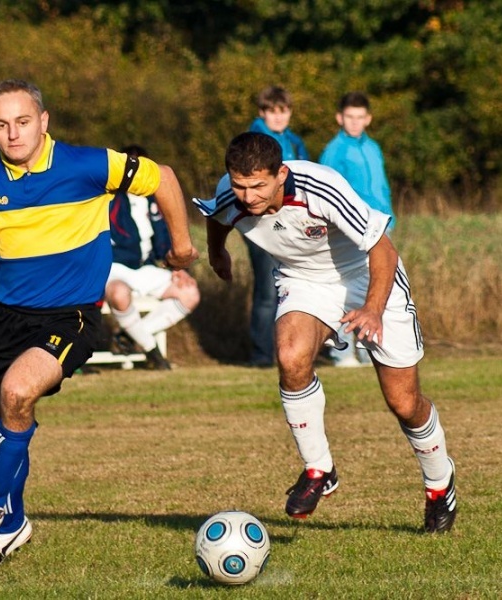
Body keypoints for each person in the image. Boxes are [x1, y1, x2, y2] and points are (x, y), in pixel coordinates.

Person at [0, 79, 198, 568]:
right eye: (1, 125)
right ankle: (11, 525)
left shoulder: (87, 165)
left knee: (18, 393)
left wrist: (182, 244)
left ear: (43, 122)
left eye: (22, 122)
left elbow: (165, 177)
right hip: (4, 319)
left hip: (72, 315)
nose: (13, 134)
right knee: (2, 429)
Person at [193, 132, 457, 533]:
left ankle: (440, 485)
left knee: (404, 403)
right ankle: (319, 469)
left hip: (368, 276)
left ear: (281, 174)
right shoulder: (232, 195)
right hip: (305, 282)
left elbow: (383, 249)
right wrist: (217, 252)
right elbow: (217, 216)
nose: (248, 197)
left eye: (259, 186)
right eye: (240, 185)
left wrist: (372, 309)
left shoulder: (322, 188)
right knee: (290, 355)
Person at [106, 145, 200, 371]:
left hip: (146, 267)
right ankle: (152, 351)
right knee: (119, 294)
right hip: (115, 267)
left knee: (190, 293)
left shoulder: (155, 199)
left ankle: (129, 338)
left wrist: (176, 267)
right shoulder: (107, 198)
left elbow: (165, 239)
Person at [320, 91, 394, 368]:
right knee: (348, 289)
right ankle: (342, 352)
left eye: (360, 117)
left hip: (381, 226)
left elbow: (381, 187)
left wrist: (390, 219)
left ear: (368, 118)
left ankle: (369, 349)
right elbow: (326, 192)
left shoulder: (372, 147)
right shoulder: (334, 150)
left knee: (377, 289)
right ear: (340, 118)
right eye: (349, 117)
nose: (354, 122)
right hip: (352, 229)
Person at [244, 86, 310, 367]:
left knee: (296, 288)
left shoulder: (294, 142)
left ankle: (298, 349)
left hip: (292, 221)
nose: (278, 116)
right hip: (261, 223)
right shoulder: (253, 141)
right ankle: (262, 354)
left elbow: (305, 177)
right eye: (272, 111)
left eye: (283, 111)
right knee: (268, 292)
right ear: (262, 113)